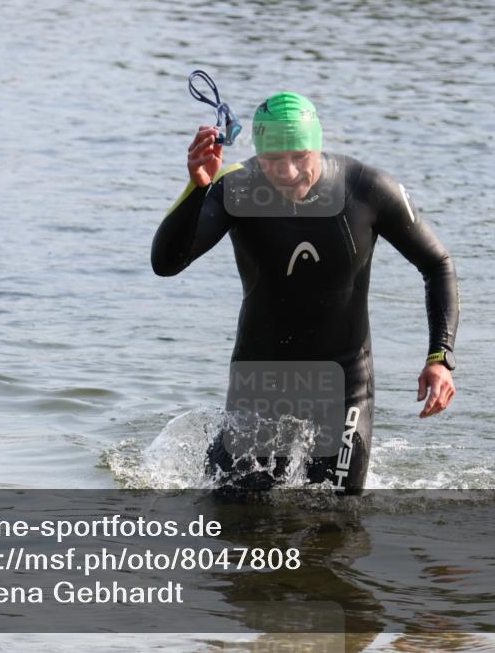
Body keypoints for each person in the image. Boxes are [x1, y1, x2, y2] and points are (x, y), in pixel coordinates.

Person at [151, 91, 459, 494]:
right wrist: (197, 188)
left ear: (317, 145)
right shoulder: (237, 188)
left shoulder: (366, 188)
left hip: (345, 386)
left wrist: (440, 357)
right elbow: (167, 263)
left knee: (337, 519)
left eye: (301, 157)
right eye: (274, 160)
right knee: (231, 518)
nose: (289, 171)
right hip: (258, 382)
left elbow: (437, 265)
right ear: (258, 156)